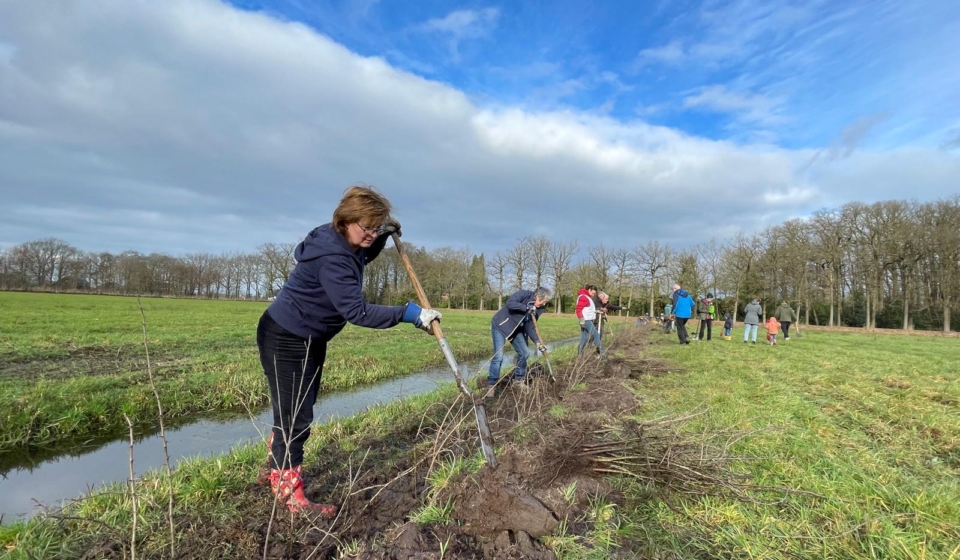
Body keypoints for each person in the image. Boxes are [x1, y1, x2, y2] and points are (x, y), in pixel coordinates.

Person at [257, 186, 442, 515]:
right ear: (345, 221)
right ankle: (288, 493)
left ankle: (276, 464)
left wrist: (383, 235)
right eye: (366, 227)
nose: (370, 234)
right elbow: (358, 313)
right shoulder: (333, 258)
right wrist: (408, 314)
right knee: (295, 418)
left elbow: (362, 253)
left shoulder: (343, 241)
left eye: (376, 226)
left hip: (307, 336)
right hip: (287, 337)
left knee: (297, 408)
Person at [488, 287, 551, 390]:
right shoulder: (524, 294)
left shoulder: (539, 309)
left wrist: (538, 342)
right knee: (498, 356)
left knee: (525, 352)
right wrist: (527, 307)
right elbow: (510, 303)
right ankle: (492, 384)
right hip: (501, 325)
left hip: (516, 330)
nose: (544, 304)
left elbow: (530, 326)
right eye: (543, 302)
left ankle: (518, 381)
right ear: (538, 297)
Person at [576, 284, 603, 356]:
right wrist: (581, 319)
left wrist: (596, 311)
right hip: (586, 320)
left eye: (594, 293)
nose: (593, 295)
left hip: (586, 320)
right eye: (593, 293)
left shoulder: (587, 297)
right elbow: (578, 309)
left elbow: (587, 309)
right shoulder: (584, 297)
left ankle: (580, 355)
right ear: (589, 290)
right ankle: (602, 353)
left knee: (584, 338)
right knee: (596, 335)